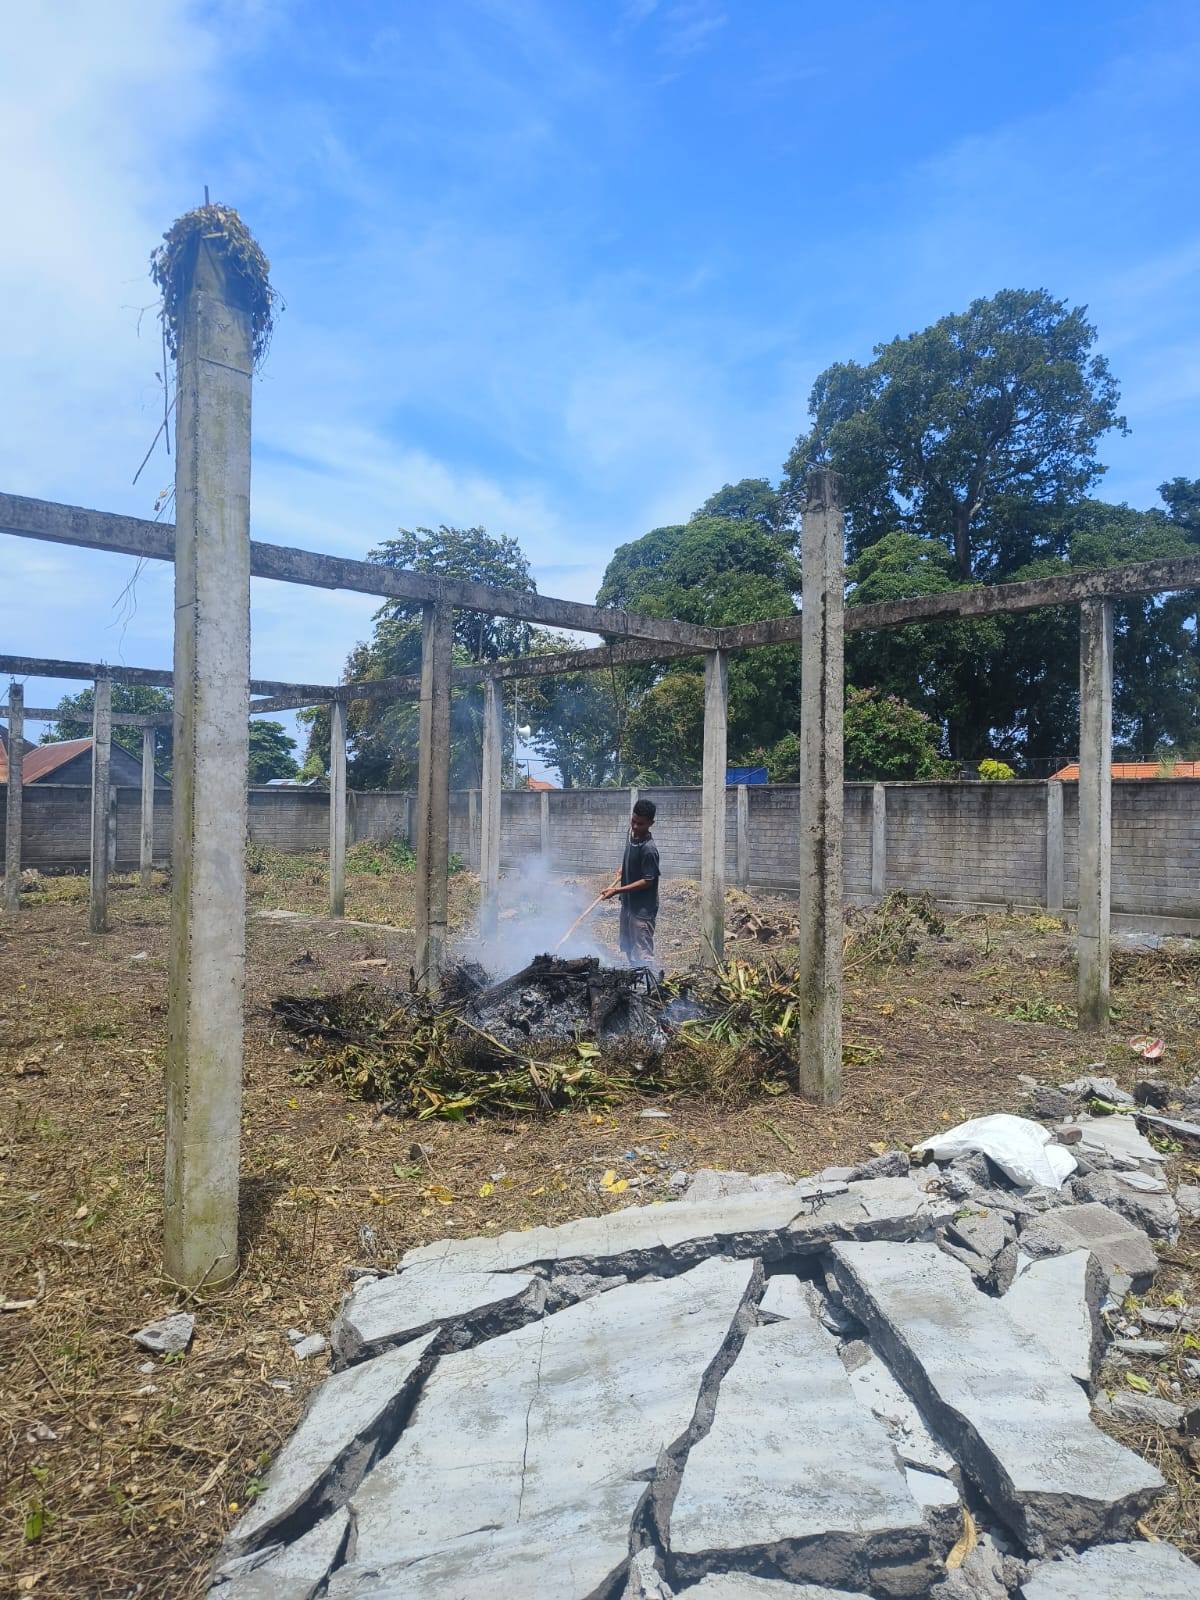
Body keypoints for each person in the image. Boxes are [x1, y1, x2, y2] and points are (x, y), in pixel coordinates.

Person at [600, 798, 660, 966]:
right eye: (633, 821)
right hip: (628, 904)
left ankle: (649, 979)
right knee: (627, 945)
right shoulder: (631, 835)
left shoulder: (649, 849)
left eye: (640, 824)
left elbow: (647, 881)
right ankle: (633, 975)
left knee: (643, 952)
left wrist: (617, 891)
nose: (634, 826)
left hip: (642, 909)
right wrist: (624, 867)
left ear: (651, 824)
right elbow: (632, 857)